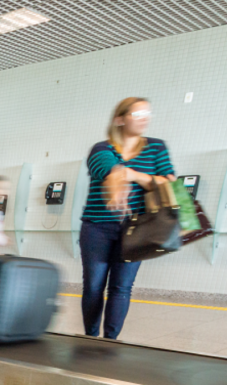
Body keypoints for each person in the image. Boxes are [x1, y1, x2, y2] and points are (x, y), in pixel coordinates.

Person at [80, 97, 174, 340]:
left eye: (147, 114)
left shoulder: (156, 147)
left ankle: (110, 341)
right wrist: (135, 176)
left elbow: (171, 181)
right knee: (93, 286)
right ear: (119, 119)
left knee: (121, 287)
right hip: (97, 227)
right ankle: (90, 337)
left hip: (137, 228)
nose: (144, 119)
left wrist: (131, 174)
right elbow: (110, 171)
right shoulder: (101, 148)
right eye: (137, 114)